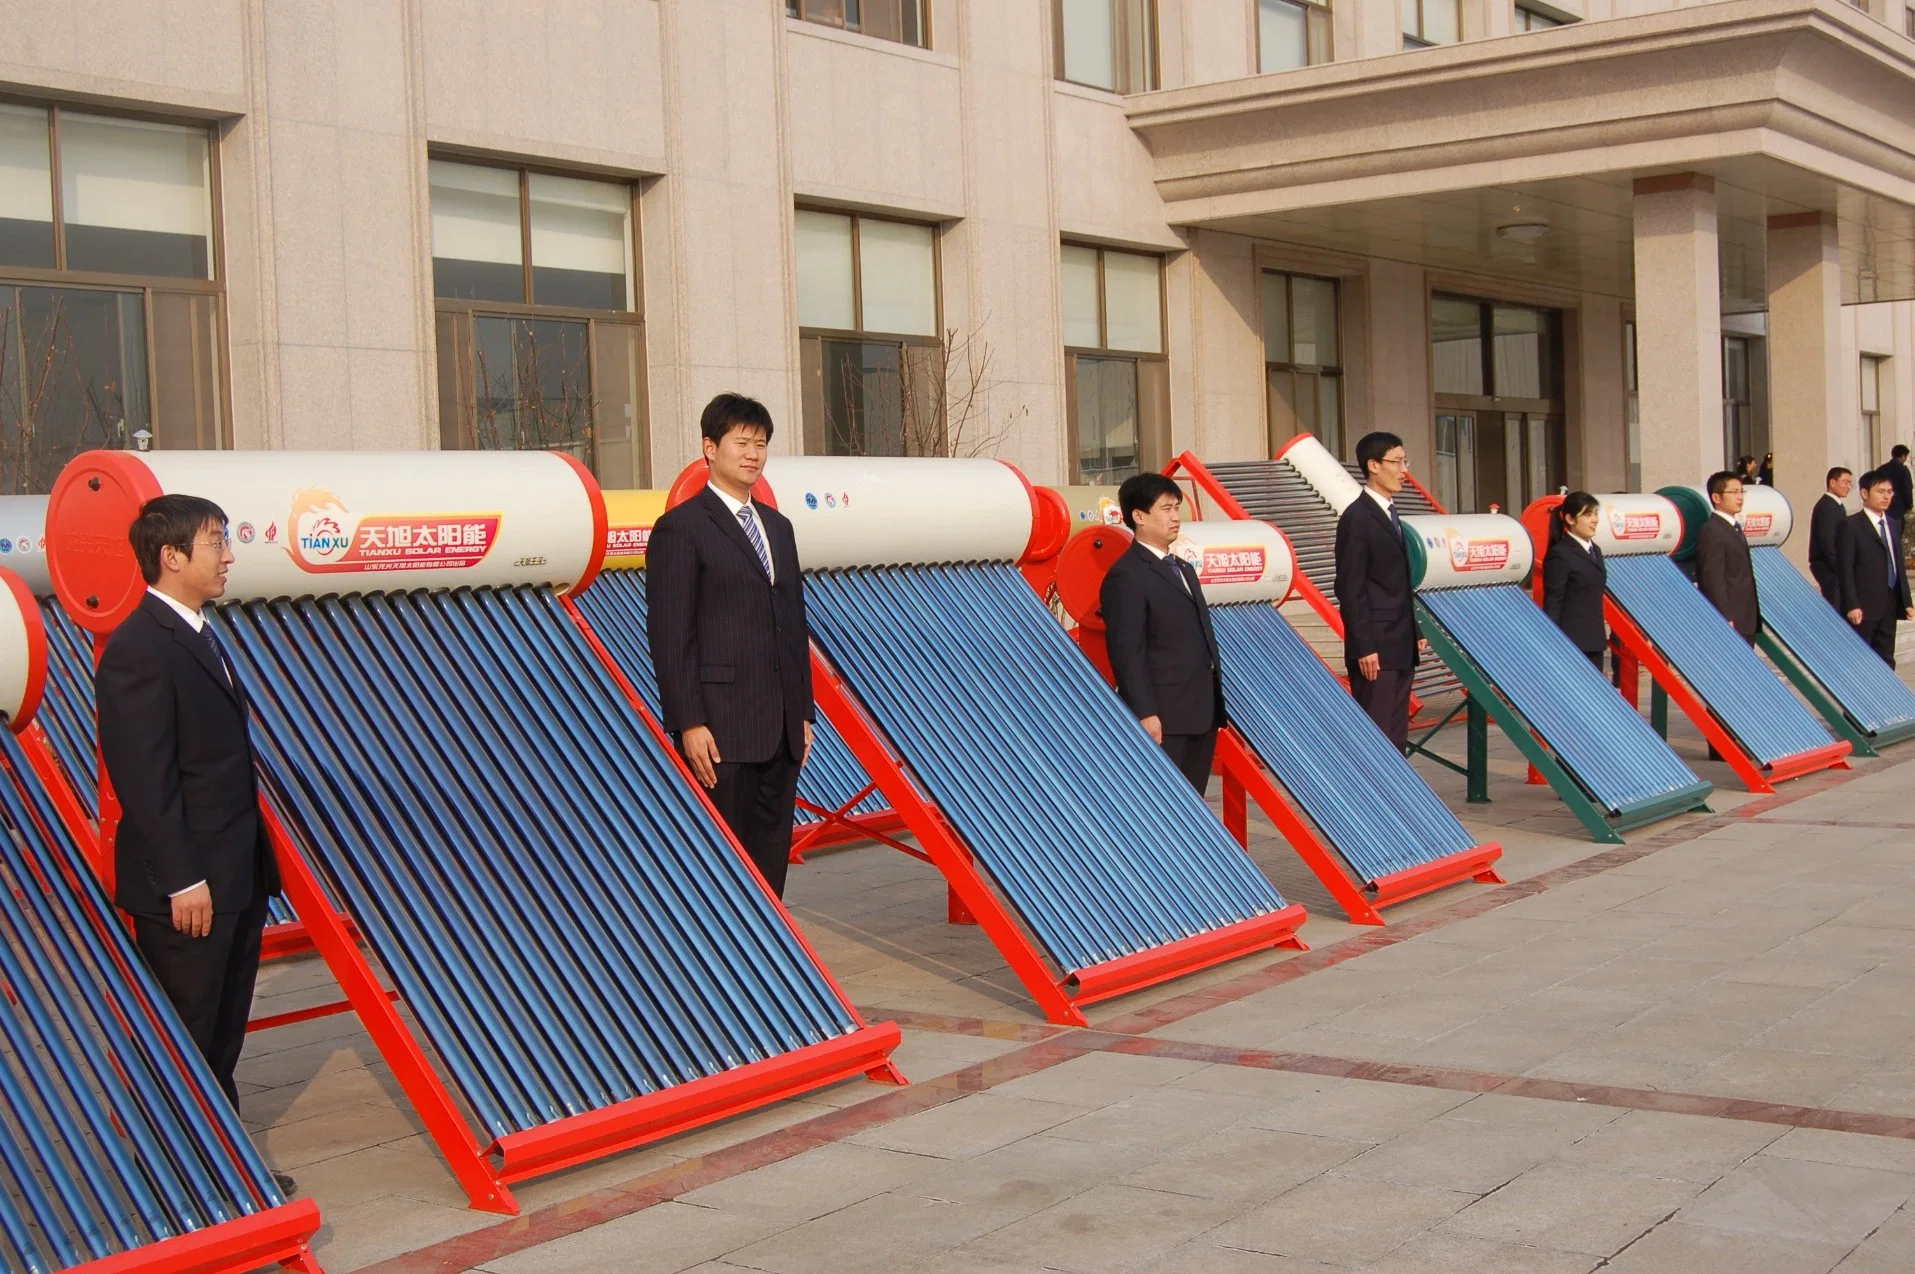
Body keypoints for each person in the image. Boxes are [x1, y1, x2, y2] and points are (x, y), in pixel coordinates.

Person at [97, 495, 293, 1194]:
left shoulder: (201, 634)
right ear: (170, 555)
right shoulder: (140, 647)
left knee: (221, 1036)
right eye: (216, 542)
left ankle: (224, 1174)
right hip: (189, 889)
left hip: (233, 874)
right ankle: (177, 1185)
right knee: (185, 1034)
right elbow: (144, 780)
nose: (229, 555)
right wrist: (183, 879)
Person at [647, 393, 813, 898]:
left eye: (760, 444)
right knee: (722, 862)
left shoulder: (778, 528)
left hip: (781, 729)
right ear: (709, 447)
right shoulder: (682, 527)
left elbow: (792, 621)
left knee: (769, 863)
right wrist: (689, 722)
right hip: (721, 729)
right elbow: (671, 634)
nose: (752, 454)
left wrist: (802, 714)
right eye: (741, 442)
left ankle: (769, 957)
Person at [1100, 473, 1224, 794]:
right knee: (1165, 802)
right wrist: (1145, 712)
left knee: (1194, 802)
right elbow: (1128, 650)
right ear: (1139, 516)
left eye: (1177, 508)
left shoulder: (1182, 568)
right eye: (1166, 509)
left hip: (1201, 710)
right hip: (1164, 716)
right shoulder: (1127, 575)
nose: (1175, 517)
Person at [1335, 432, 1424, 751]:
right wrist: (1364, 647)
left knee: (1397, 735)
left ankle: (1398, 799)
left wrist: (1415, 629)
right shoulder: (1357, 518)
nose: (1403, 469)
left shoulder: (1391, 513)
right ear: (1373, 465)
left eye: (1405, 461)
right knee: (1377, 738)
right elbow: (1350, 587)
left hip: (1400, 643)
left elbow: (1398, 581)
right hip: (1376, 649)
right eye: (1396, 462)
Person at [1838, 468, 1914, 666]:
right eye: (1881, 491)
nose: (1886, 496)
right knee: (1862, 659)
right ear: (1864, 493)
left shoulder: (1894, 523)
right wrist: (1852, 604)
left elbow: (1897, 563)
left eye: (1890, 492)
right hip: (1864, 605)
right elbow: (1845, 569)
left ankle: (1887, 696)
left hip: (1889, 602)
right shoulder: (1851, 525)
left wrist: (1906, 601)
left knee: (1886, 658)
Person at [1542, 491, 1608, 672]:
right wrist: (1553, 641)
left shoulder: (1596, 550)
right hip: (1572, 643)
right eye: (1587, 515)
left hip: (1594, 640)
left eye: (1595, 513)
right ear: (1570, 519)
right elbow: (1553, 602)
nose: (1594, 520)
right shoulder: (1560, 554)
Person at [1694, 470, 1760, 645]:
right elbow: (1712, 578)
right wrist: (1725, 615)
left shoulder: (1733, 527)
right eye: (1733, 492)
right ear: (1716, 497)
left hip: (1745, 617)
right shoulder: (1712, 531)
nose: (1740, 497)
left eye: (1741, 491)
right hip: (1730, 619)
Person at [1809, 467, 1853, 608]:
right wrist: (1841, 567)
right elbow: (1827, 541)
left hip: (1834, 567)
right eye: (1845, 482)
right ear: (1832, 483)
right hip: (1828, 568)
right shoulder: (1826, 506)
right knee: (1835, 608)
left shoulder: (1836, 505)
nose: (1848, 486)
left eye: (1850, 483)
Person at [1888, 444, 1912, 542]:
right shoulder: (1903, 470)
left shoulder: (1881, 469)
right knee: (1896, 540)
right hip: (1897, 509)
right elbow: (1907, 489)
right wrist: (1909, 505)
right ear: (1903, 456)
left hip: (1882, 510)